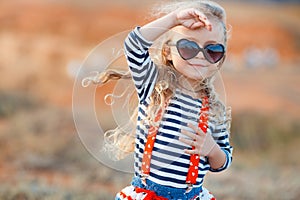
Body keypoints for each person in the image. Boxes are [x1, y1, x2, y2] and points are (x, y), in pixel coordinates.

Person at [84, 0, 233, 199]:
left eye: (212, 50)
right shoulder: (154, 87)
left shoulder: (214, 110)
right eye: (188, 46)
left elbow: (224, 160)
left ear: (220, 58)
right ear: (167, 52)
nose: (200, 56)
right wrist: (174, 19)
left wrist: (212, 150)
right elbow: (134, 45)